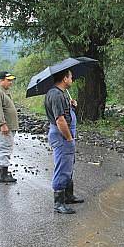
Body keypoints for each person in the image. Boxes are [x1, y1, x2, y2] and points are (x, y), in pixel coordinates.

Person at [44, 69, 84, 214]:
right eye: (71, 77)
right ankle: (58, 203)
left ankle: (68, 195)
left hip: (65, 134)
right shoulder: (55, 95)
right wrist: (68, 138)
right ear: (65, 79)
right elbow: (60, 120)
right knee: (62, 166)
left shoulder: (62, 94)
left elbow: (65, 113)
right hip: (62, 136)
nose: (72, 79)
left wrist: (71, 105)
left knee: (68, 164)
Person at [0, 71, 19, 183]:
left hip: (8, 126)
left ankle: (2, 173)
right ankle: (3, 175)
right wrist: (2, 124)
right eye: (8, 80)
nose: (10, 82)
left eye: (11, 80)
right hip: (4, 127)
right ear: (1, 80)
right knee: (4, 149)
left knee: (2, 149)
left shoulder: (4, 91)